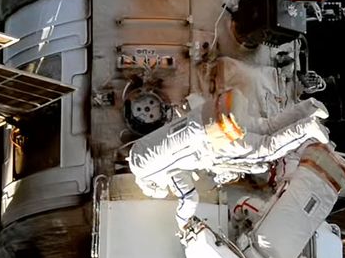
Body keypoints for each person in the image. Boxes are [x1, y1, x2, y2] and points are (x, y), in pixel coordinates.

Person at [128, 87, 330, 229]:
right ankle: (309, 107)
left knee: (266, 148)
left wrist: (182, 223)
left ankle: (306, 129)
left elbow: (189, 198)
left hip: (213, 139)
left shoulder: (159, 173)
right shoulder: (140, 150)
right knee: (267, 127)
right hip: (209, 115)